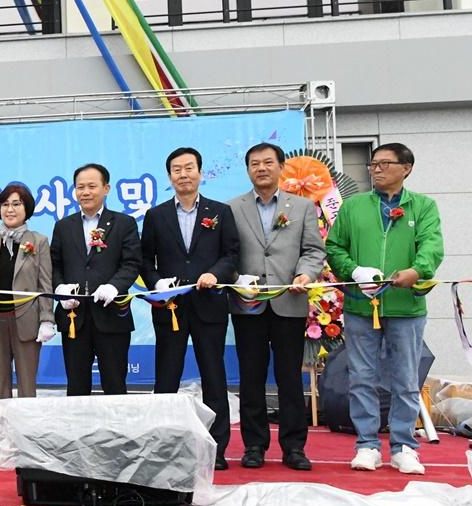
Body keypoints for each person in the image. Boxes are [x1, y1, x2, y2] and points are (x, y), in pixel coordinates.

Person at [326, 142, 443, 474]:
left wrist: (417, 270)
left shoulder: (423, 206)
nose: (376, 169)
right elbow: (334, 247)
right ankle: (367, 445)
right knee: (361, 377)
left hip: (406, 306)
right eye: (373, 164)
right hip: (361, 306)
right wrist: (354, 272)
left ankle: (404, 446)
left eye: (384, 163)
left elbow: (432, 245)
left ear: (406, 168)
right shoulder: (353, 207)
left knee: (405, 378)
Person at [228, 142, 326, 471]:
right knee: (250, 378)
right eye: (254, 163)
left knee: (289, 378)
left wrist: (305, 274)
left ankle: (294, 447)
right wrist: (237, 278)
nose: (261, 168)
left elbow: (314, 250)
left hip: (289, 301)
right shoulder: (233, 208)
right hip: (248, 305)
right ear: (248, 170)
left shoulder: (302, 207)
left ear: (281, 167)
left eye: (268, 162)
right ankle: (254, 445)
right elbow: (227, 253)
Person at [140, 147, 239, 470]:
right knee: (166, 378)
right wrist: (158, 283)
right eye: (177, 169)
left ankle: (216, 448)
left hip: (209, 305)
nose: (183, 174)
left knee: (214, 377)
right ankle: (163, 445)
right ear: (169, 176)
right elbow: (145, 260)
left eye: (189, 168)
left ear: (200, 172)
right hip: (170, 307)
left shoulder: (220, 212)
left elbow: (231, 254)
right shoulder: (156, 216)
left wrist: (215, 274)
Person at [50, 164, 141, 396]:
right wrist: (60, 289)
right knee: (76, 386)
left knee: (115, 384)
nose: (86, 192)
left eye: (92, 186)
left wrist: (114, 286)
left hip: (111, 315)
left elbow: (132, 263)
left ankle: (117, 422)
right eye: (80, 187)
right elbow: (54, 265)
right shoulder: (63, 226)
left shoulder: (124, 223)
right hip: (74, 317)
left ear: (106, 188)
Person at [0, 184, 56, 400]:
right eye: (5, 204)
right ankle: (2, 424)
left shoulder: (39, 241)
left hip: (27, 321)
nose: (10, 209)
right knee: (0, 384)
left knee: (27, 385)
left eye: (16, 204)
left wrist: (47, 319)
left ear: (27, 209)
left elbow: (45, 285)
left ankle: (27, 424)